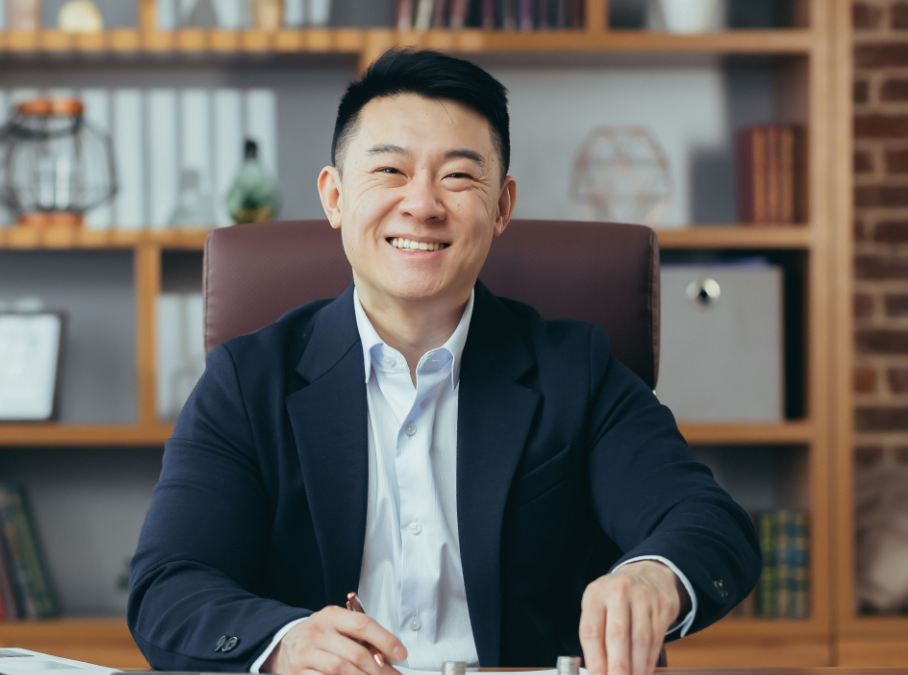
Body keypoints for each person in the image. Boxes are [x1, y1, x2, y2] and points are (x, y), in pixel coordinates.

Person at [128, 48, 761, 675]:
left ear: (503, 206)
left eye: (458, 176)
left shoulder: (576, 370)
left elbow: (707, 524)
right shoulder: (248, 381)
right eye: (390, 172)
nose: (423, 204)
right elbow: (168, 586)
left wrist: (652, 578)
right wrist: (287, 643)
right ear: (335, 197)